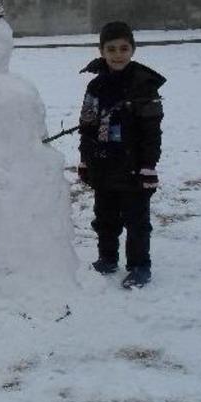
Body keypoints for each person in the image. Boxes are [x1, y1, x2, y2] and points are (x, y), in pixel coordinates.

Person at [77, 21, 166, 289]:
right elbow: (87, 125)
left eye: (124, 48)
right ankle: (107, 258)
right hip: (103, 164)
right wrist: (85, 159)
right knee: (105, 217)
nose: (118, 54)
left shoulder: (144, 86)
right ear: (102, 50)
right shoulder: (95, 86)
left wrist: (148, 167)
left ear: (133, 49)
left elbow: (152, 132)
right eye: (111, 48)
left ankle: (139, 265)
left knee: (137, 221)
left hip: (134, 166)